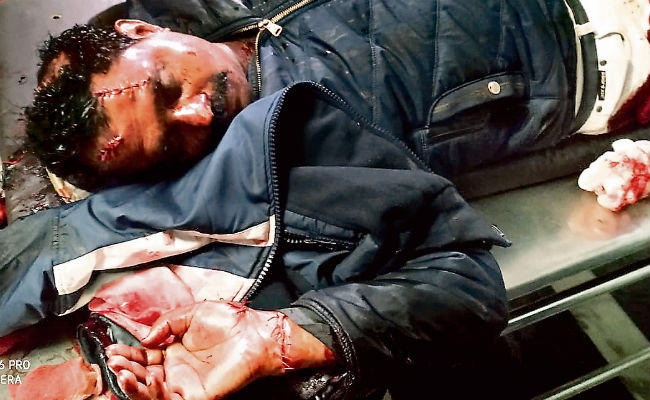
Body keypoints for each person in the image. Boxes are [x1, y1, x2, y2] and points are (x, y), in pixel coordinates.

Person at [1, 0, 649, 399]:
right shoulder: (304, 151)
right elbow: (462, 282)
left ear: (141, 29)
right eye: (171, 144)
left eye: (169, 88)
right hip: (613, 49)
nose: (196, 114)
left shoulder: (189, 7)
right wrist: (280, 337)